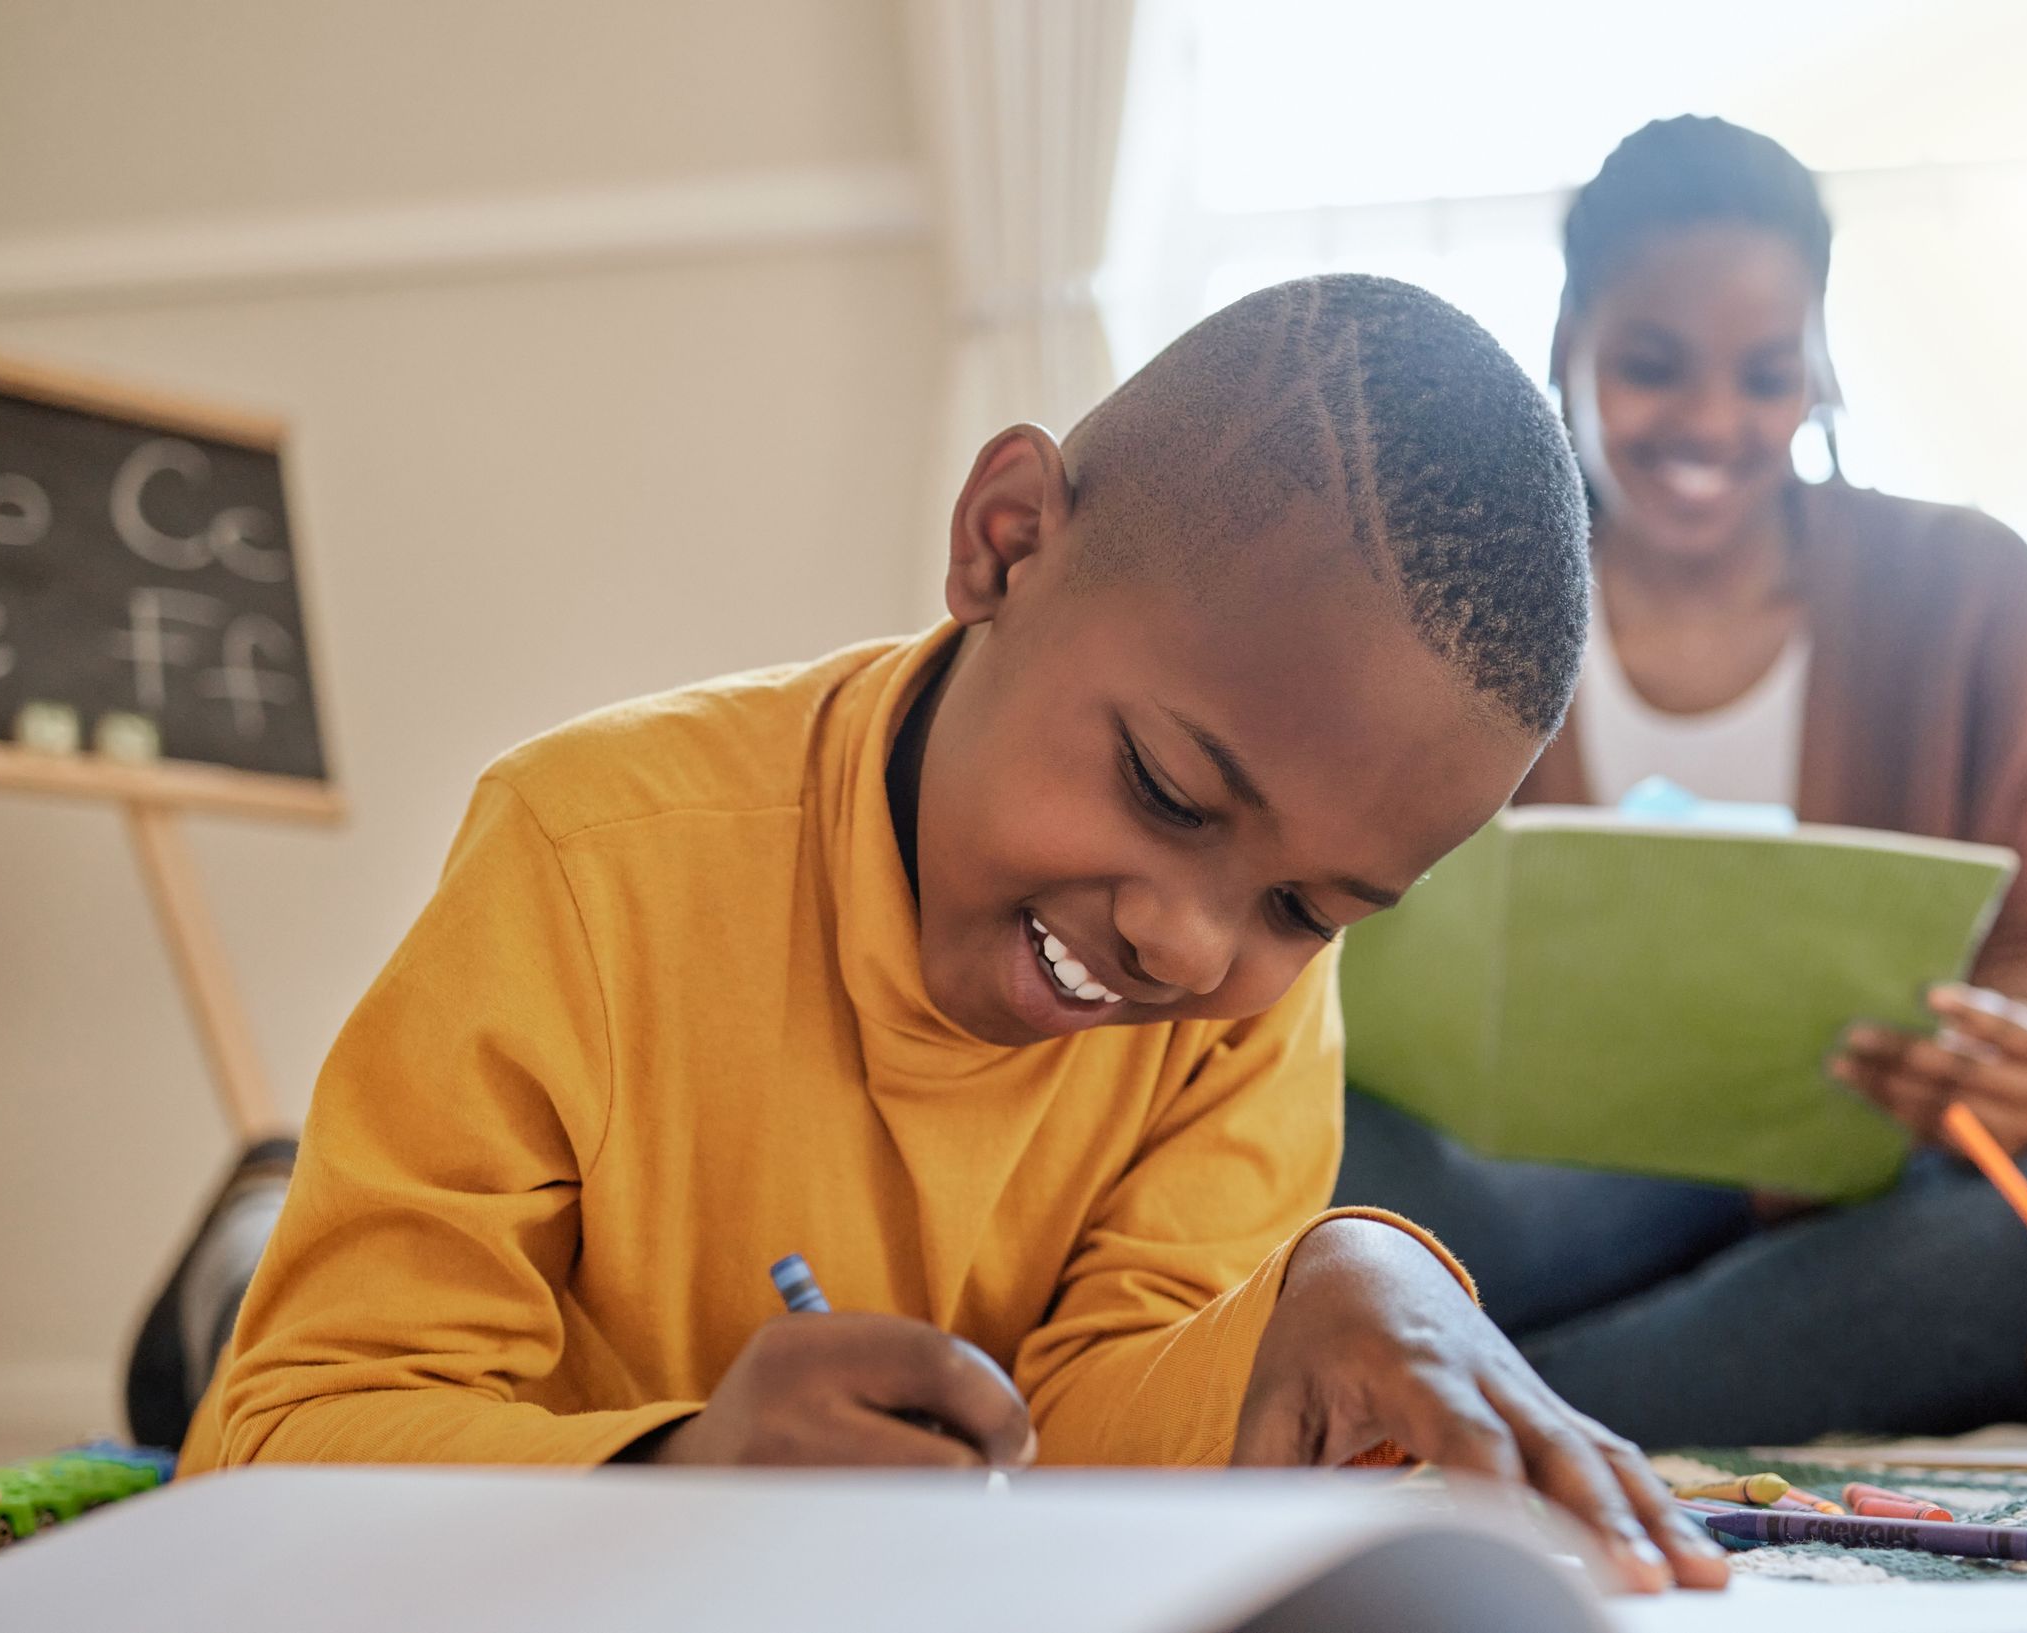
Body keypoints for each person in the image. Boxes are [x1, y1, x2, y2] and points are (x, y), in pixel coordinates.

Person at [177, 274, 1726, 1591]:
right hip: (508, 1470)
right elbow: (283, 1445)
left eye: (1306, 910)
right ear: (1003, 539)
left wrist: (1314, 1295)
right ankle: (254, 1217)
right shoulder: (588, 854)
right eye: (1166, 789)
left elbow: (1083, 1424)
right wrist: (683, 1462)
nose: (1190, 949)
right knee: (220, 1333)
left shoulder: (1246, 1009)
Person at [1336, 116, 2027, 1448]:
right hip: (1516, 1188)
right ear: (1570, 339)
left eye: (1766, 375)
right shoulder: (1443, 604)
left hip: (1837, 1188)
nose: (1710, 423)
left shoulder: (1968, 590)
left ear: (1819, 359)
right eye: (1651, 367)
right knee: (1333, 1165)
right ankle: (1515, 1383)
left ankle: (1443, 1398)